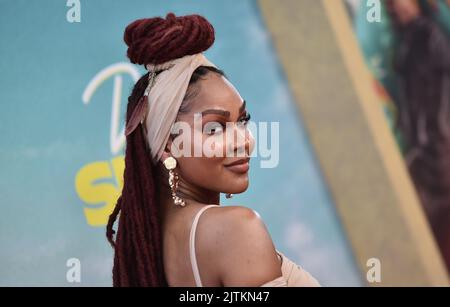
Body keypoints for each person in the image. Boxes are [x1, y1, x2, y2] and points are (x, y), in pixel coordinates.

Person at [106, 12, 320, 287]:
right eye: (214, 128)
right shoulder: (236, 230)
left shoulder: (151, 246)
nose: (243, 140)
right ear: (170, 145)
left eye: (242, 120)